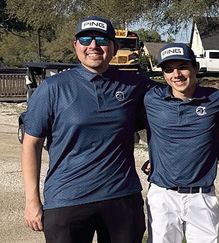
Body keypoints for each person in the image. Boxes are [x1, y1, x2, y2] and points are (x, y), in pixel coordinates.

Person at [21, 16, 151, 242]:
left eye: (101, 39)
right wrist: (32, 200)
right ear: (75, 46)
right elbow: (32, 144)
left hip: (121, 197)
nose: (93, 46)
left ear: (113, 47)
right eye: (85, 39)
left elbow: (177, 99)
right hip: (67, 199)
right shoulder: (52, 89)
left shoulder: (133, 85)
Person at [142, 43, 219, 243]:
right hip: (163, 195)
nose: (176, 74)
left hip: (202, 195)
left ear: (195, 68)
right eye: (168, 70)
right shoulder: (151, 99)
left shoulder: (217, 99)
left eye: (182, 67)